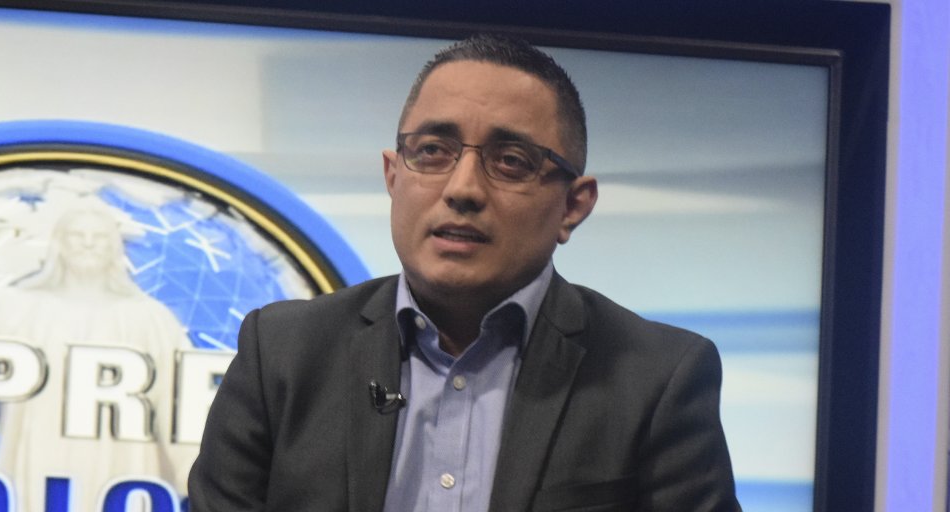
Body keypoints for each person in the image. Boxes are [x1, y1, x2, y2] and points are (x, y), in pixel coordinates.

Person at [188, 34, 741, 511]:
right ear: (392, 176)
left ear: (573, 206)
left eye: (512, 161)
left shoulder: (657, 378)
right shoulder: (281, 353)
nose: (463, 189)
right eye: (432, 151)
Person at [0, 207, 196, 511]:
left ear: (114, 248)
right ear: (59, 245)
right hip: (38, 458)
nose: (88, 244)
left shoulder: (149, 318)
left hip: (122, 467)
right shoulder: (18, 305)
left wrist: (200, 477)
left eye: (99, 237)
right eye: (77, 235)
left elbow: (181, 405)